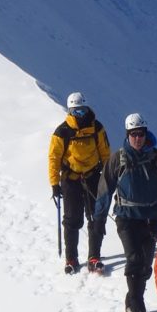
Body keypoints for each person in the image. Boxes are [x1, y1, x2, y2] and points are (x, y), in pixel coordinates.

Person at [94, 112, 157, 312]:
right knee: (133, 260)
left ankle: (131, 301)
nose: (138, 138)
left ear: (146, 133)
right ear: (127, 135)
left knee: (144, 266)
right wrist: (99, 217)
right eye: (133, 134)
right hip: (126, 217)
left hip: (151, 218)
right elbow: (105, 188)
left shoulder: (156, 158)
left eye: (140, 134)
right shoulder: (119, 158)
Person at [48, 91, 111, 274]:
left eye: (82, 110)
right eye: (76, 111)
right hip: (71, 179)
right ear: (69, 111)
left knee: (95, 217)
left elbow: (106, 154)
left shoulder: (97, 128)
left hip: (93, 177)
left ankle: (94, 256)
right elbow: (54, 158)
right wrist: (54, 183)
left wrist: (107, 178)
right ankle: (71, 258)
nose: (80, 115)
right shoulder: (62, 132)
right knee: (71, 220)